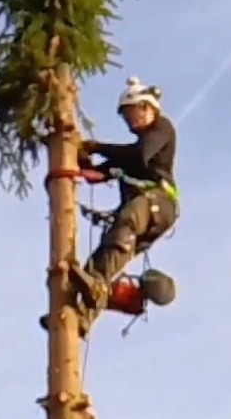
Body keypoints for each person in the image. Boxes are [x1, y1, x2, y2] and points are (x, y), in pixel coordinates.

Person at [74, 77, 178, 317]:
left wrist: (99, 147)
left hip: (158, 204)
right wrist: (86, 163)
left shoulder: (162, 128)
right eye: (126, 117)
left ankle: (96, 284)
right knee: (101, 262)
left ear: (147, 107)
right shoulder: (132, 157)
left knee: (129, 217)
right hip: (144, 217)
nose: (130, 121)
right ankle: (80, 319)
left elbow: (140, 154)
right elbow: (107, 170)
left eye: (132, 113)